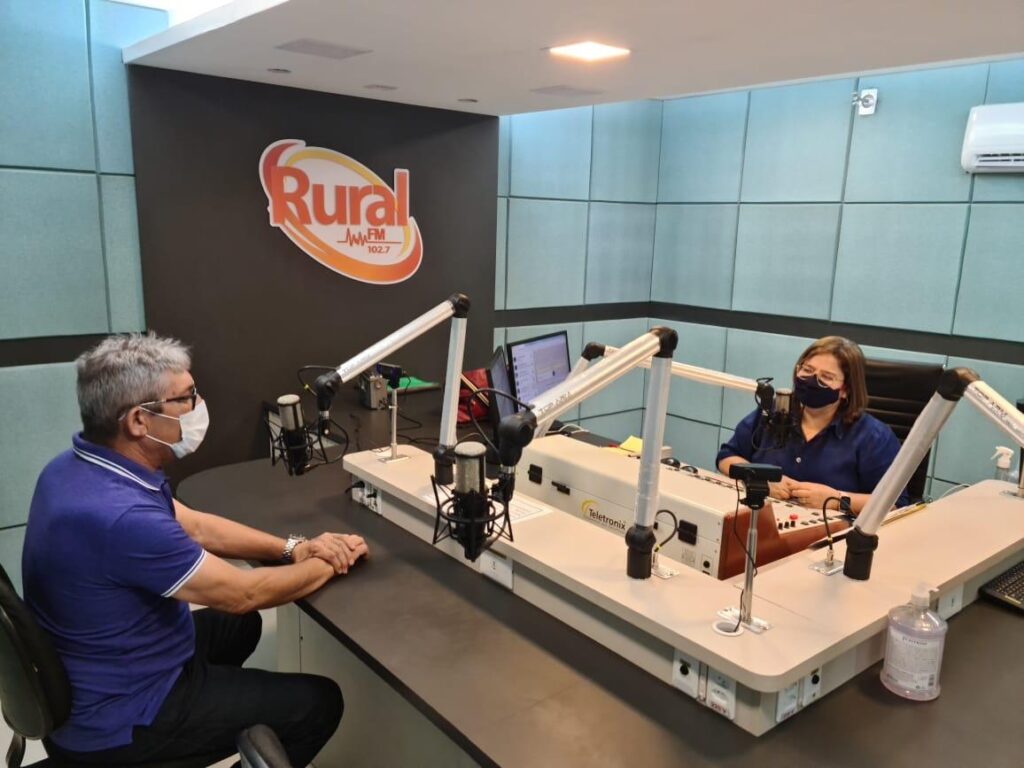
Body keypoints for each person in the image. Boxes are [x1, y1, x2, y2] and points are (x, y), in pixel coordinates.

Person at [22, 333, 368, 766]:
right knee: (317, 703)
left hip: (107, 667)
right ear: (139, 421)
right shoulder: (121, 516)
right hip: (122, 716)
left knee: (240, 628)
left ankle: (212, 718)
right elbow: (244, 593)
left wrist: (295, 548)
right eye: (185, 398)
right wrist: (333, 559)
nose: (198, 405)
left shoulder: (77, 468)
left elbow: (198, 526)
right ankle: (180, 733)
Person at [716, 336, 908, 514]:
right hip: (762, 519)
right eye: (807, 370)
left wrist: (836, 499)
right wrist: (758, 479)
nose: (812, 380)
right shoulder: (774, 412)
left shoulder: (873, 436)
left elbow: (895, 504)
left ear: (846, 390)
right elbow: (726, 457)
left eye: (827, 377)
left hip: (830, 533)